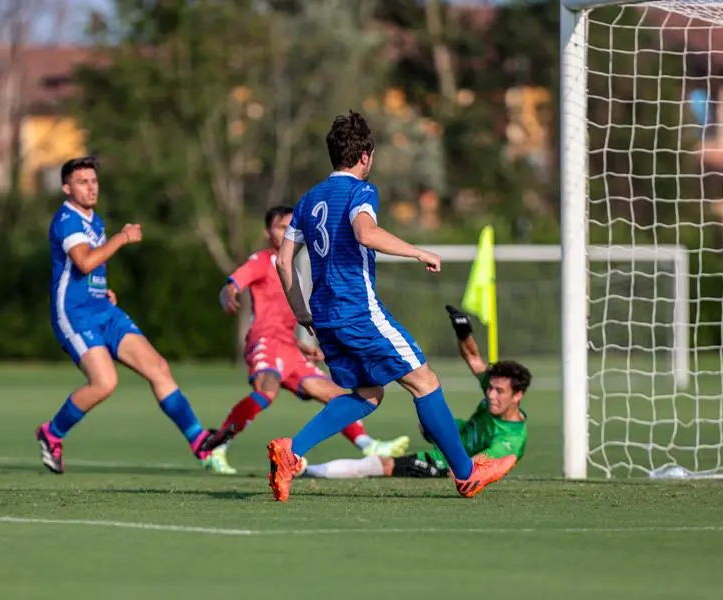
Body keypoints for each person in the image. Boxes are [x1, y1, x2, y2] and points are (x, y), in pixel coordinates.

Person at [270, 110, 516, 501]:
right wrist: (417, 252)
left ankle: (291, 451)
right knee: (425, 382)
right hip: (358, 311)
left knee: (369, 394)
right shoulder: (360, 192)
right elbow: (365, 234)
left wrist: (302, 312)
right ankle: (467, 473)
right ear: (365, 155)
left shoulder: (308, 198)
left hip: (326, 316)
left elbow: (284, 262)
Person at [36, 156, 219, 474]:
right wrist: (122, 238)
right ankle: (52, 433)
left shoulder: (94, 219)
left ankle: (200, 441)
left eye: (94, 181)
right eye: (82, 182)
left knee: (158, 367)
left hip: (102, 309)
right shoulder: (67, 219)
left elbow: (91, 269)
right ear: (66, 188)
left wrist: (100, 289)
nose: (91, 187)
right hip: (75, 315)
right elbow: (83, 262)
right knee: (104, 383)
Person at [201, 205, 410, 474]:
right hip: (265, 342)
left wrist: (302, 346)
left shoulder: (292, 268)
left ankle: (369, 445)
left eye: (290, 227)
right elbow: (234, 284)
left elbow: (282, 316)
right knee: (266, 391)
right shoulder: (263, 260)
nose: (286, 232)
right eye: (279, 227)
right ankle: (216, 446)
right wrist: (229, 293)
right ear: (267, 232)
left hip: (288, 348)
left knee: (335, 395)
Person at [303, 306, 529, 480]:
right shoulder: (495, 395)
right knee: (428, 417)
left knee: (382, 465)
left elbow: (473, 471)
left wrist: (450, 465)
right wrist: (463, 331)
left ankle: (304, 471)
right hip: (453, 435)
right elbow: (474, 359)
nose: (491, 394)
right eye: (490, 387)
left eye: (499, 391)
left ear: (517, 396)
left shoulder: (511, 441)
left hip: (446, 460)